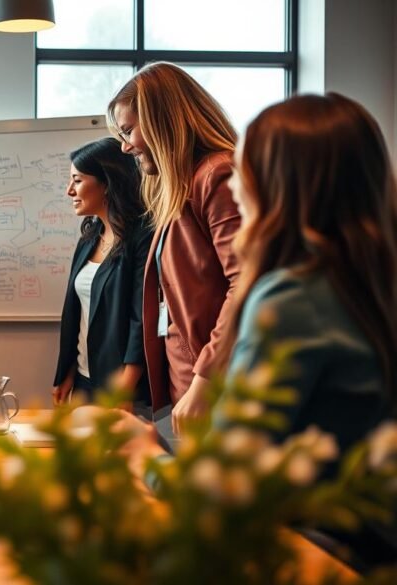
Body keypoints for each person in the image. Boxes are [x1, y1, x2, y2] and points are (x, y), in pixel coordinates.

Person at [118, 92, 397, 569]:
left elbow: (220, 493)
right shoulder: (368, 284)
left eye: (244, 168)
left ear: (274, 185)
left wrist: (142, 451)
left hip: (312, 556)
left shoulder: (290, 300)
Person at [108, 62, 240, 434]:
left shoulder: (217, 174)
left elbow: (246, 284)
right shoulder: (186, 184)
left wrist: (205, 379)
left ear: (162, 120)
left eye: (129, 130)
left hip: (212, 392)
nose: (125, 145)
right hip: (186, 391)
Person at [53, 138, 151, 404]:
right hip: (85, 378)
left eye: (77, 180)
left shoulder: (142, 238)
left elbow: (141, 318)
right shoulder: (89, 236)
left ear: (107, 183)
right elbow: (76, 311)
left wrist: (126, 385)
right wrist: (69, 371)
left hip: (121, 385)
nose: (69, 191)